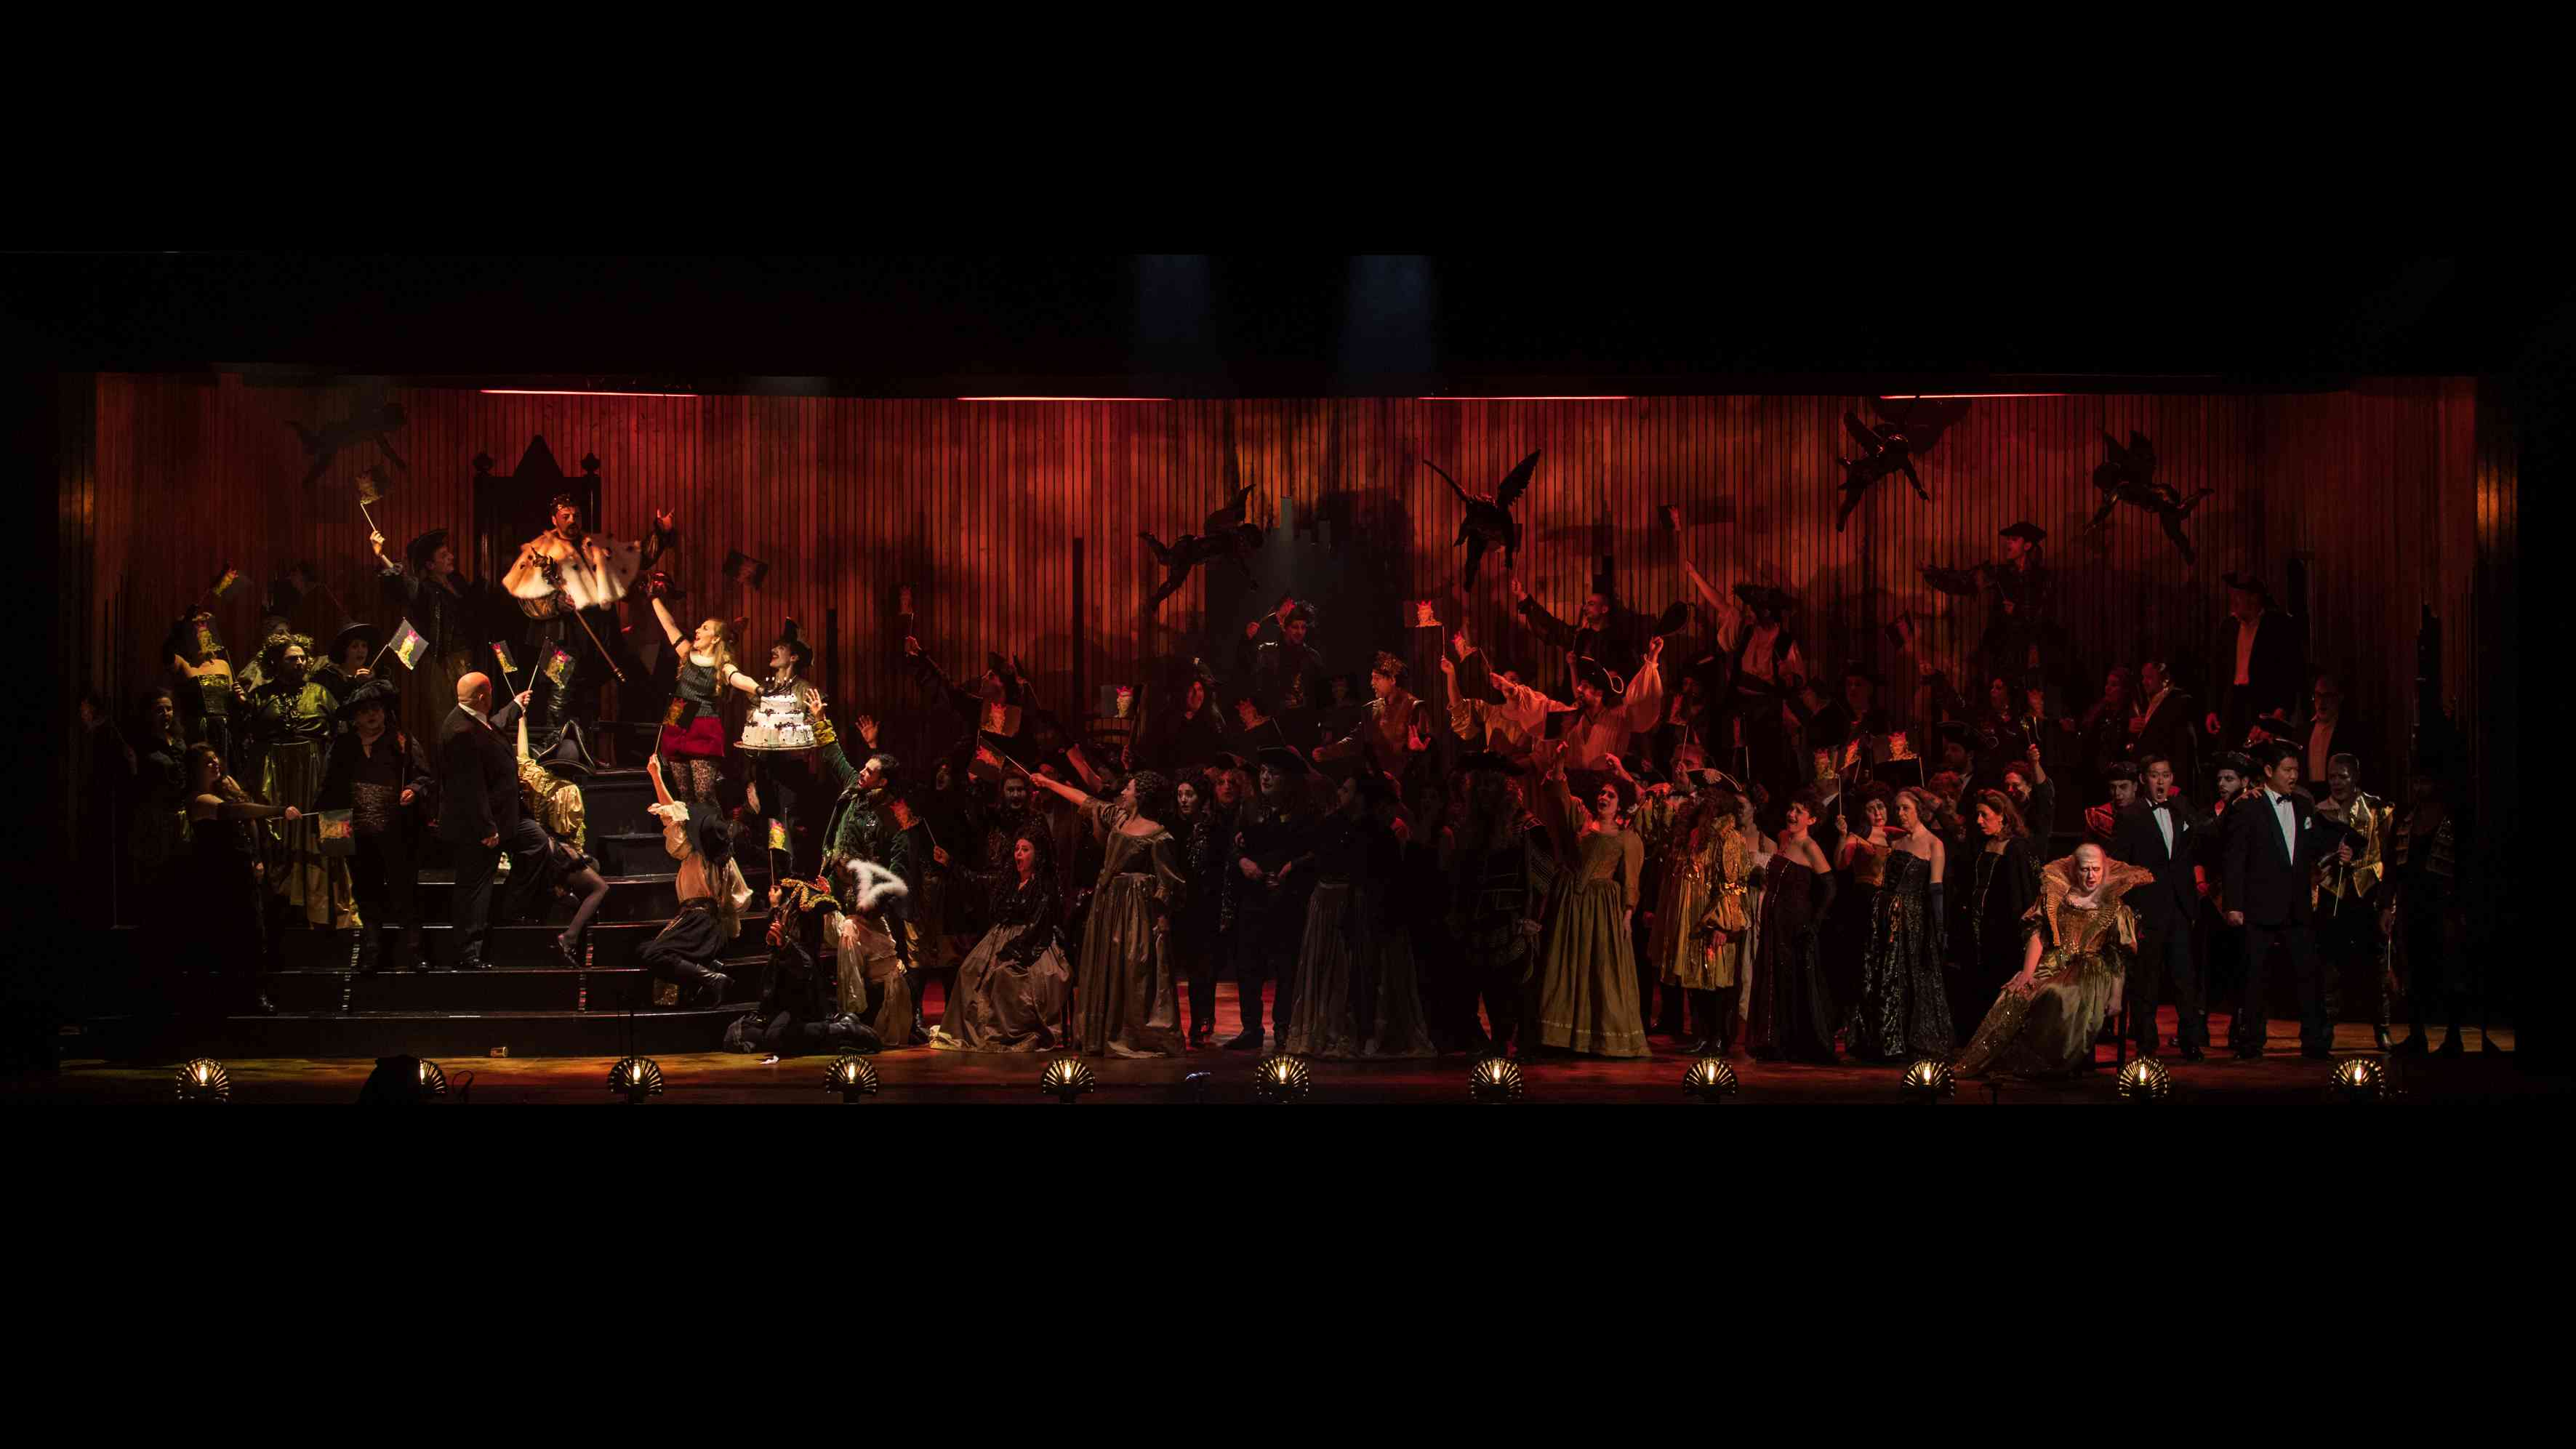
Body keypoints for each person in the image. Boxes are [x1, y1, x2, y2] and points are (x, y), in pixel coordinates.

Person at [1020, 762, 1189, 1058]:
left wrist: (1162, 919)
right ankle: (1103, 1032)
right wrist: (1048, 783)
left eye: (1129, 789)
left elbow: (1168, 882)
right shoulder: (1118, 817)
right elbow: (1085, 800)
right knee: (1107, 964)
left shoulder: (1158, 836)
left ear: (1141, 796)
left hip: (1136, 910)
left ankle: (1133, 1032)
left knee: (1133, 967)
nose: (1123, 792)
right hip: (1109, 903)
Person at [1953, 845, 2154, 1079]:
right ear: (2074, 870)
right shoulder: (2056, 897)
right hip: (2054, 961)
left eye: (2096, 869)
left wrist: (2116, 996)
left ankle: (2045, 1063)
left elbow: (2118, 955)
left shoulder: (2115, 907)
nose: (2091, 875)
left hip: (2091, 969)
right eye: (2085, 869)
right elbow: (2037, 935)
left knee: (2056, 993)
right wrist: (2027, 973)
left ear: (2104, 870)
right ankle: (1989, 1058)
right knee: (2015, 993)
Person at [1280, 770, 1436, 1058]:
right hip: (1334, 905)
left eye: (1347, 790)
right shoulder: (1335, 825)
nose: (1340, 793)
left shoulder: (1376, 832)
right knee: (1335, 972)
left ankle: (1363, 1032)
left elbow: (1384, 875)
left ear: (1362, 798)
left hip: (1365, 909)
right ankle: (1335, 1029)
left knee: (1362, 972)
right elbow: (1321, 856)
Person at [500, 495, 673, 750]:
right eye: (566, 516)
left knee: (592, 700)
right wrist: (556, 603)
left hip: (597, 635)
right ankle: (554, 755)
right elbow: (525, 597)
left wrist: (661, 532)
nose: (573, 520)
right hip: (561, 640)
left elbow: (637, 559)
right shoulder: (540, 551)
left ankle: (589, 755)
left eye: (576, 516)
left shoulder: (595, 546)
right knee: (559, 700)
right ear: (554, 519)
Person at [2223, 740, 2354, 1059]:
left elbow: (2313, 845)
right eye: (2287, 770)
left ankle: (2315, 1041)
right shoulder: (2248, 807)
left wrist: (2339, 851)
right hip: (2259, 905)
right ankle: (2251, 1042)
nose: (2294, 776)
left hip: (2296, 906)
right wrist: (2234, 904)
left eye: (2296, 770)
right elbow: (2235, 859)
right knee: (2255, 977)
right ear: (2269, 771)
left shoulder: (2303, 805)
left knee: (2308, 975)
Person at [1525, 747, 1648, 1058]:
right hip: (1570, 904)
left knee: (1599, 968)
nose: (1603, 798)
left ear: (1620, 804)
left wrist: (1627, 915)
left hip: (1602, 908)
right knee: (1566, 965)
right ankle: (1559, 1036)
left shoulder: (1626, 838)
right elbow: (1559, 797)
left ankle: (1600, 1037)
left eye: (1611, 795)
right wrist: (1559, 764)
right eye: (1602, 794)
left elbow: (1631, 879)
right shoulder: (1582, 820)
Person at [241, 632, 358, 941]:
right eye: (292, 658)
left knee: (330, 832)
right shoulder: (260, 696)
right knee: (279, 837)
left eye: (303, 658)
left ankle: (332, 907)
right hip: (276, 776)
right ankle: (284, 908)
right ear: (276, 662)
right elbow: (247, 736)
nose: (300, 663)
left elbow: (343, 730)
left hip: (318, 772)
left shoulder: (320, 693)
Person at [312, 680, 432, 974]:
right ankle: (372, 951)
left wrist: (414, 790)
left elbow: (425, 778)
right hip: (358, 834)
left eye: (376, 709)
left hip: (396, 832)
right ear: (355, 717)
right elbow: (329, 788)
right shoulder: (343, 746)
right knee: (367, 893)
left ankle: (414, 951)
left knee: (405, 892)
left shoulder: (402, 741)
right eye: (365, 711)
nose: (371, 716)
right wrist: (330, 833)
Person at [928, 827, 1071, 1051]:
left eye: (1025, 850)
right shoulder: (1009, 880)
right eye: (1017, 849)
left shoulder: (1044, 885)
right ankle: (972, 1030)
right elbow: (978, 881)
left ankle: (1005, 1034)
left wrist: (1015, 951)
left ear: (1038, 855)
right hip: (1000, 937)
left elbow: (1039, 926)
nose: (1019, 854)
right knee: (969, 969)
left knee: (1005, 975)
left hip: (1033, 942)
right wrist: (950, 863)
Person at [1444, 752, 1545, 1056]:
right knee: (1480, 984)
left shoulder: (1527, 827)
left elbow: (1542, 876)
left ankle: (1511, 1043)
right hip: (1477, 920)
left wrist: (1532, 918)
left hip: (1513, 920)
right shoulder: (1472, 829)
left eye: (1491, 785)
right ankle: (1489, 1042)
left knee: (1512, 987)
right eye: (1480, 786)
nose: (1485, 792)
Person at [1645, 778, 1754, 1056]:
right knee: (1696, 979)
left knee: (1714, 979)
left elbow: (1732, 883)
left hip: (1711, 918)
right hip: (1691, 918)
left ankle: (1717, 1037)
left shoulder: (1728, 837)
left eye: (1705, 801)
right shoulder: (1695, 834)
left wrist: (1722, 924)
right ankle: (1702, 1034)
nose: (1697, 804)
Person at [184, 744, 296, 1015]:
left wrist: (256, 858)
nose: (215, 764)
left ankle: (255, 992)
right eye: (207, 762)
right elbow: (235, 812)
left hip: (242, 870)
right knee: (232, 934)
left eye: (215, 759)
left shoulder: (224, 792)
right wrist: (278, 810)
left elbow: (248, 825)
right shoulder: (199, 800)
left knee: (255, 932)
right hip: (219, 875)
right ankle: (235, 996)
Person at [1221, 747, 1320, 1050]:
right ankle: (1251, 1028)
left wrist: (1294, 867)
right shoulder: (1250, 807)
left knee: (1286, 965)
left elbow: (1318, 851)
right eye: (1263, 771)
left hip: (1288, 897)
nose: (1265, 777)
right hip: (1254, 895)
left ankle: (1283, 1026)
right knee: (1248, 964)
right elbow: (1231, 846)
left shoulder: (1305, 813)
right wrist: (1242, 862)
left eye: (1273, 773)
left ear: (1288, 779)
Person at [824, 748, 926, 1038]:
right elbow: (834, 756)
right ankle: (839, 1013)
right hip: (836, 888)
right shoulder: (853, 789)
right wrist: (818, 724)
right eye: (864, 768)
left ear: (882, 782)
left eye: (870, 771)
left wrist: (874, 899)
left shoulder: (893, 813)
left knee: (881, 959)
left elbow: (898, 868)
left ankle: (862, 1017)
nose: (862, 773)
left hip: (870, 901)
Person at [2109, 755, 2204, 1057]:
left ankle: (2190, 1042)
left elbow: (2200, 840)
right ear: (2143, 780)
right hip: (2148, 908)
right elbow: (2120, 866)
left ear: (2172, 778)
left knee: (2184, 978)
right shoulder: (2131, 815)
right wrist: (2130, 909)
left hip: (2179, 907)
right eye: (2154, 775)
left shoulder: (2181, 809)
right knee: (2147, 979)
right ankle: (2146, 1043)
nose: (2160, 781)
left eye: (2165, 775)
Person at [638, 753, 752, 1008]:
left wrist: (656, 777)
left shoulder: (693, 853)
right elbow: (739, 901)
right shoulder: (726, 862)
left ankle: (712, 979)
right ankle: (709, 970)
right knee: (646, 949)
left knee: (653, 953)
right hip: (710, 924)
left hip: (699, 922)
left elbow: (673, 815)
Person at [747, 618, 858, 877]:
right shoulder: (762, 690)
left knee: (791, 827)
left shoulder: (808, 692)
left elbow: (813, 733)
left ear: (794, 657)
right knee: (772, 828)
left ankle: (796, 879)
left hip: (792, 774)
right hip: (764, 771)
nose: (773, 650)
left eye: (781, 647)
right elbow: (752, 729)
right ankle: (776, 880)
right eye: (774, 646)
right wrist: (750, 778)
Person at [1847, 786, 1950, 1062]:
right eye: (1898, 809)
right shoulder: (1897, 842)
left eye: (1906, 808)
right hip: (1884, 915)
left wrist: (1939, 928)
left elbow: (1936, 889)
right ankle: (1882, 1039)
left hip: (1913, 917)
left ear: (1920, 811)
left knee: (1910, 975)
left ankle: (1906, 1039)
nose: (1900, 813)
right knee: (1883, 975)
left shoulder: (1934, 844)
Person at [436, 671, 529, 971]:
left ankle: (510, 912)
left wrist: (515, 706)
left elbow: (493, 726)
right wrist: (486, 828)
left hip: (502, 818)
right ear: (482, 697)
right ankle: (468, 951)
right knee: (474, 887)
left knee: (537, 844)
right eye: (489, 693)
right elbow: (469, 788)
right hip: (477, 827)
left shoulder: (473, 719)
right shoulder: (460, 731)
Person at [645, 586, 761, 808]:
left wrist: (758, 689)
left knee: (704, 793)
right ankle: (688, 830)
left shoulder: (722, 665)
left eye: (705, 628)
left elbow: (738, 678)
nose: (697, 630)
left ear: (716, 639)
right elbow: (669, 625)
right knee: (684, 794)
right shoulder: (687, 653)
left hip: (703, 721)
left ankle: (713, 827)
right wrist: (654, 598)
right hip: (678, 713)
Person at [1746, 787, 1839, 1062]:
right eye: (1791, 809)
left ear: (1812, 819)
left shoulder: (1810, 846)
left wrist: (1816, 922)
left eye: (1800, 811)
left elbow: (1830, 887)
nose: (1792, 814)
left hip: (1794, 920)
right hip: (1774, 919)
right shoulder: (1784, 838)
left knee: (1791, 978)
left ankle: (1793, 1041)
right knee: (1773, 974)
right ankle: (1773, 1040)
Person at [2313, 750, 2394, 1048]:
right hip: (2332, 894)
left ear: (2355, 777)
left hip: (2367, 895)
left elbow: (2388, 858)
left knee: (2375, 967)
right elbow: (2311, 855)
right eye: (2332, 777)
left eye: (2342, 776)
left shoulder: (2377, 810)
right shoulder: (2319, 812)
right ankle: (2326, 1030)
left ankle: (2382, 1027)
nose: (2336, 782)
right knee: (2329, 967)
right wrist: (2332, 858)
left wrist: (2386, 902)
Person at [2383, 761, 2464, 1054]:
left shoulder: (2453, 820)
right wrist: (2387, 905)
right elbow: (2392, 867)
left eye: (2425, 782)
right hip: (2411, 904)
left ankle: (2453, 1036)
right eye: (2416, 782)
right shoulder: (2406, 818)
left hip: (2442, 906)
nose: (2419, 788)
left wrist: (2460, 909)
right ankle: (2417, 1035)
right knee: (2412, 971)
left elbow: (2465, 868)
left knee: (2447, 970)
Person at [1954, 790, 2042, 1045]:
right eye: (1977, 815)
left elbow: (2025, 893)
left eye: (1985, 815)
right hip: (1978, 927)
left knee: (1999, 980)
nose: (1979, 821)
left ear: (2002, 815)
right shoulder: (1983, 844)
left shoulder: (2017, 848)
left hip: (2004, 932)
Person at [2198, 750, 2257, 1051]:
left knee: (2241, 964)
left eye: (2230, 779)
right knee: (2207, 965)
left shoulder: (2250, 809)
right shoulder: (2211, 811)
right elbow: (2199, 848)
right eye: (2220, 778)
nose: (2222, 784)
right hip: (2212, 896)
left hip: (2241, 898)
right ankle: (2199, 1028)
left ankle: (2240, 1026)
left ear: (2245, 781)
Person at [1442, 629, 1573, 762]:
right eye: (1504, 679)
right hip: (1494, 772)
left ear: (1522, 685)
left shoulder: (1535, 715)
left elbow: (1543, 754)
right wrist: (1451, 674)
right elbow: (1459, 708)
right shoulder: (1491, 711)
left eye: (1513, 679)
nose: (1507, 683)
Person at [2210, 572, 2304, 750]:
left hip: (2261, 704)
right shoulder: (2229, 626)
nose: (2233, 601)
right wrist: (2213, 709)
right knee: (2229, 753)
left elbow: (2289, 671)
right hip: (2233, 703)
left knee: (2259, 752)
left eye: (2238, 595)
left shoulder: (2278, 626)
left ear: (2254, 598)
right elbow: (2218, 670)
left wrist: (2281, 708)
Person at [1171, 769, 1230, 1045]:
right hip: (1180, 908)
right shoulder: (1174, 828)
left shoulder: (1216, 830)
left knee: (1203, 969)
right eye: (1180, 794)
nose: (1184, 800)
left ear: (1201, 797)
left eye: (1189, 794)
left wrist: (1223, 912)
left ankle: (1200, 1022)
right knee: (1181, 968)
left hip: (1206, 908)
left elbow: (1221, 873)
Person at [1314, 651, 1432, 787]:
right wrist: (1327, 752)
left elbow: (1430, 754)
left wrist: (1418, 752)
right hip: (1376, 783)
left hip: (1406, 784)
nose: (1372, 683)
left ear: (1392, 679)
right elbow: (1356, 741)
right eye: (1372, 678)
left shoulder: (1414, 708)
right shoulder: (1370, 709)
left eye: (1377, 678)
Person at [1558, 638, 1668, 771]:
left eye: (1585, 686)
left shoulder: (1619, 717)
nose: (1579, 689)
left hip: (1606, 782)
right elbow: (1578, 693)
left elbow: (1642, 695)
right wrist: (1572, 666)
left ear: (1599, 693)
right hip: (1576, 780)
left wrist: (1652, 658)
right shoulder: (1581, 716)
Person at [1237, 598, 1331, 748]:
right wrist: (1247, 640)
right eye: (1295, 627)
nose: (1300, 632)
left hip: (1305, 727)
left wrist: (1327, 724)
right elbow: (1245, 668)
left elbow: (1323, 693)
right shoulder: (1268, 652)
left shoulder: (1312, 657)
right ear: (1284, 628)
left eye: (1303, 627)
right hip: (1275, 727)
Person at [1138, 667, 1228, 771]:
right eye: (1191, 690)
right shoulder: (1165, 720)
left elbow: (1220, 752)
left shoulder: (1211, 720)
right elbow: (1150, 755)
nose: (1197, 695)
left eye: (1200, 689)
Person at [2129, 658, 2197, 784]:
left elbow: (2182, 746)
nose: (2144, 682)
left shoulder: (2179, 702)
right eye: (2143, 677)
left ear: (2165, 678)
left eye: (2149, 678)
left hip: (2166, 777)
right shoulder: (2147, 702)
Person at [2303, 675, 2367, 790]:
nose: (2322, 701)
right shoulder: (2304, 731)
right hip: (2308, 796)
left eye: (2327, 696)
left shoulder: (2351, 731)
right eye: (2318, 696)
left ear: (2339, 697)